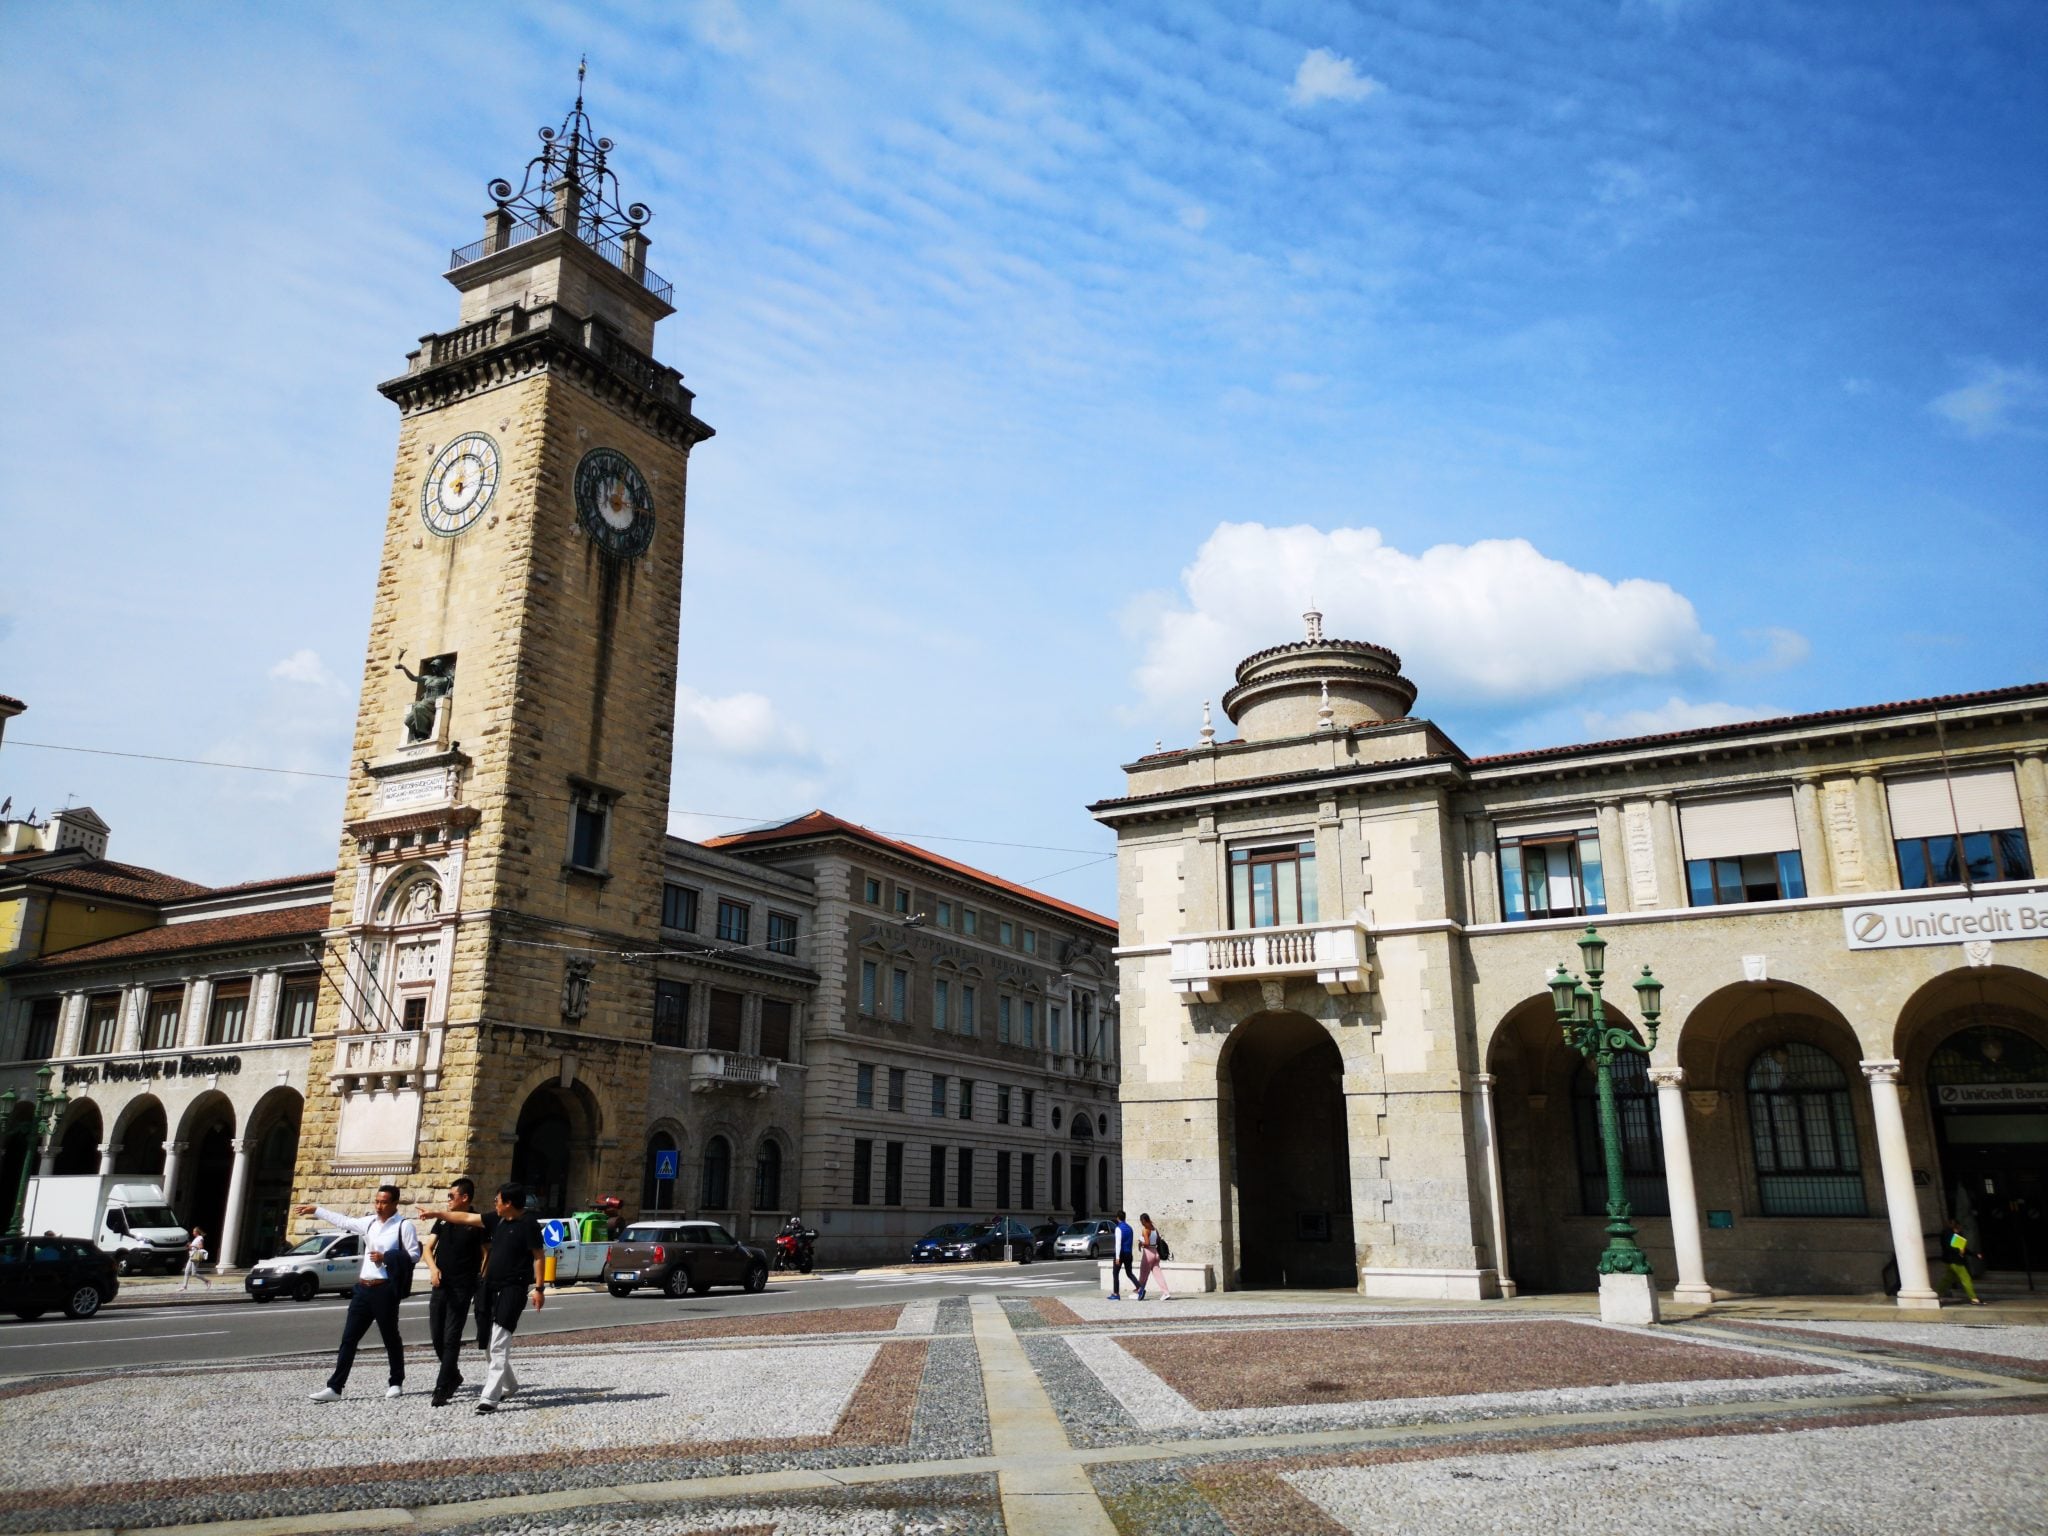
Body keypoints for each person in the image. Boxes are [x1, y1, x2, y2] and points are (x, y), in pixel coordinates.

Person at [424, 1182, 546, 1413]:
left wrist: (539, 1289)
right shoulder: (495, 1219)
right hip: (489, 1287)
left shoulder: (529, 1224)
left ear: (509, 1203)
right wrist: (439, 1214)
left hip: (514, 1288)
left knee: (499, 1343)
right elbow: (466, 1219)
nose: (495, 1204)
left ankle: (489, 1398)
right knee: (490, 1344)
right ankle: (509, 1385)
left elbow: (539, 1257)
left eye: (497, 1200)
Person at [300, 1186, 422, 1402]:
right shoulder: (370, 1223)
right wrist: (317, 1210)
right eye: (376, 1201)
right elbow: (344, 1221)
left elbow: (413, 1255)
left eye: (383, 1202)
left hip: (385, 1289)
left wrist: (386, 1257)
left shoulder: (404, 1226)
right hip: (363, 1289)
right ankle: (335, 1388)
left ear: (395, 1203)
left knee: (390, 1338)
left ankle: (396, 1382)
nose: (378, 1206)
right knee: (349, 1339)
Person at [416, 1178, 488, 1407]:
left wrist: (481, 1276)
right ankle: (454, 1374)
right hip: (440, 1284)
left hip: (462, 1286)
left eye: (451, 1196)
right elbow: (427, 1248)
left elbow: (487, 1253)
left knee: (451, 1337)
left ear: (464, 1198)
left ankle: (442, 1387)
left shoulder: (477, 1222)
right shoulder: (443, 1222)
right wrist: (433, 1268)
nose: (448, 1200)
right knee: (436, 1336)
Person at [1935, 1217, 1986, 1306]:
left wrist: (1974, 1254)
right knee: (1965, 1278)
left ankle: (1936, 1294)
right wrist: (1960, 1251)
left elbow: (1962, 1248)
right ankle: (1973, 1298)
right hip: (1954, 1260)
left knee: (1947, 1279)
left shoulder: (1951, 1234)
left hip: (1950, 1260)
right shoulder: (1948, 1233)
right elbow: (1952, 1247)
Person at [1135, 1212, 1171, 1301]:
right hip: (1156, 1253)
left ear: (1144, 1220)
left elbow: (1146, 1243)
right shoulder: (1154, 1228)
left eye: (1141, 1221)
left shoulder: (1145, 1229)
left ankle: (1140, 1292)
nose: (1141, 1223)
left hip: (1148, 1253)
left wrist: (1141, 1243)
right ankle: (1166, 1293)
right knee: (1159, 1275)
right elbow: (1158, 1239)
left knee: (1143, 1274)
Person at [1107, 1210, 1139, 1300]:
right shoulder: (1130, 1228)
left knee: (1115, 1273)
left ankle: (1116, 1293)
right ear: (1124, 1217)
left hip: (1121, 1254)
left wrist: (1117, 1258)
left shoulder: (1118, 1228)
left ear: (1117, 1218)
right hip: (1128, 1253)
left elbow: (1118, 1244)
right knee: (1129, 1273)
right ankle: (1139, 1287)